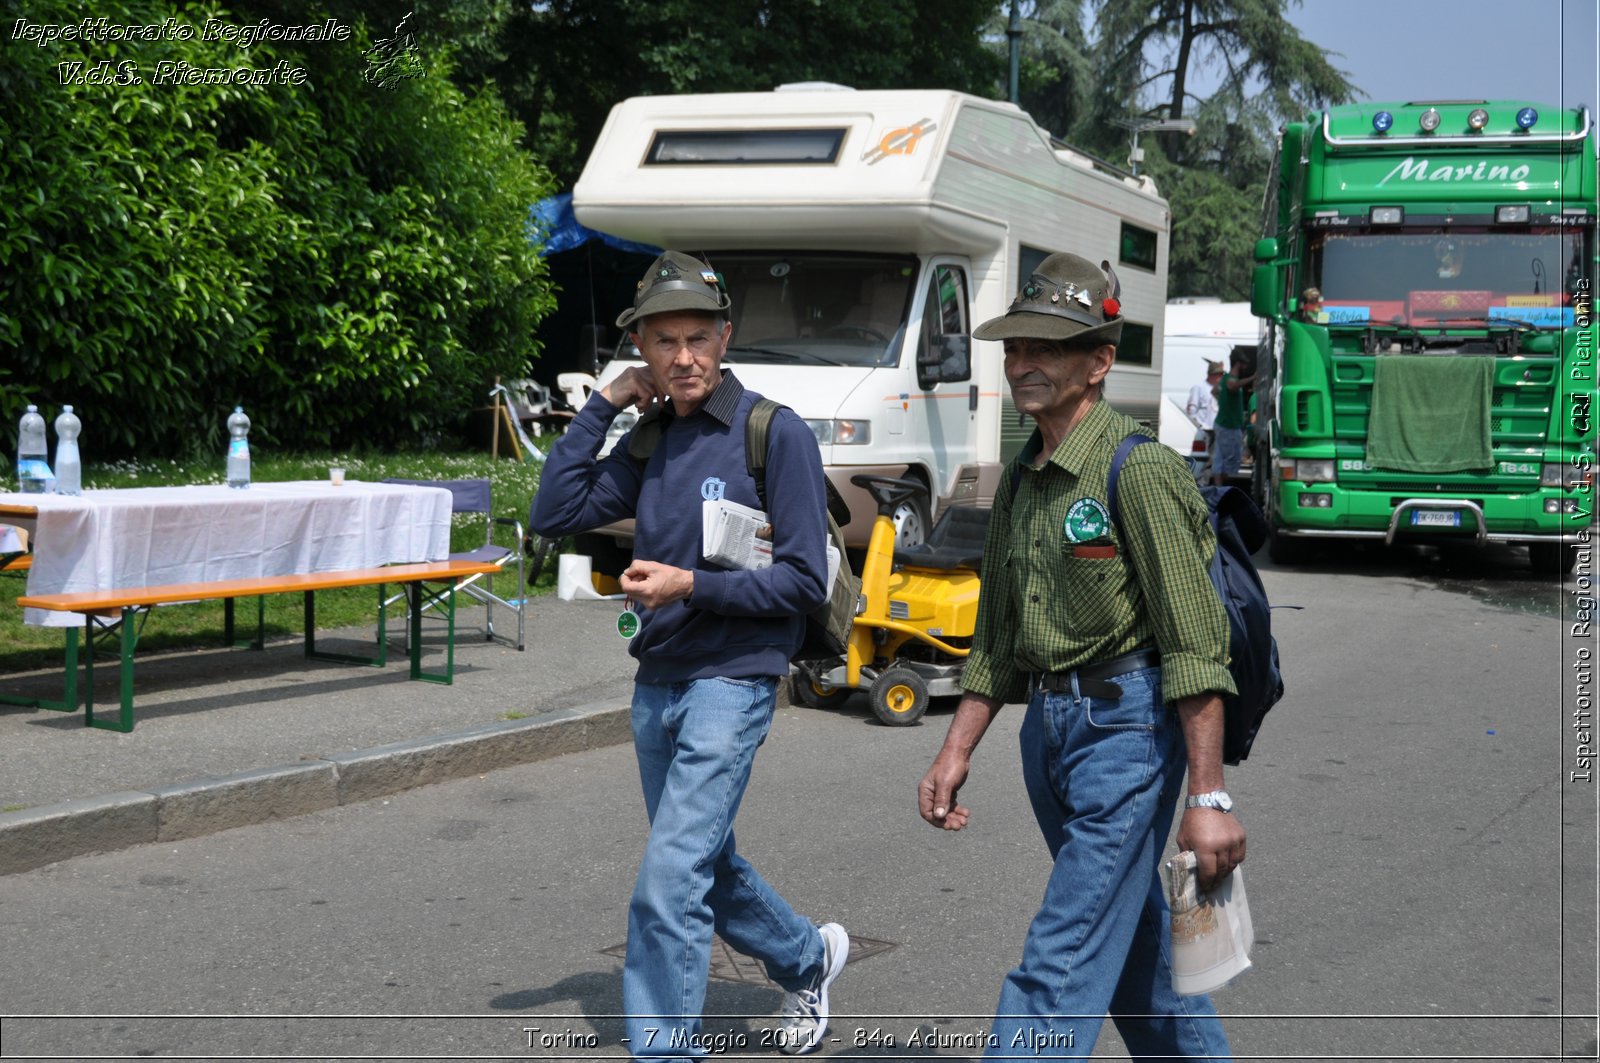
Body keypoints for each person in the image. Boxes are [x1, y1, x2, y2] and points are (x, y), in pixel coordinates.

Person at [917, 252, 1244, 1060]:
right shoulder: (1022, 481)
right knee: (1136, 953)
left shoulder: (1138, 471)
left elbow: (1196, 647)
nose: (1025, 363)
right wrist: (954, 749)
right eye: (1016, 347)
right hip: (1050, 738)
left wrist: (1209, 797)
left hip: (1126, 735)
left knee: (1058, 960)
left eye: (1049, 347)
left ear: (1099, 361)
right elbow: (995, 640)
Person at [530, 250, 848, 1060]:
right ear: (641, 348)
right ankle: (809, 958)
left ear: (725, 336)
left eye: (697, 338)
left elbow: (805, 581)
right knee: (702, 859)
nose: (682, 357)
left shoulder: (771, 435)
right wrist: (604, 406)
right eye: (662, 340)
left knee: (670, 879)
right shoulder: (649, 441)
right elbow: (554, 507)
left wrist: (688, 586)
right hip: (660, 676)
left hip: (734, 677)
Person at [1209, 349, 1254, 486]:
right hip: (1229, 426)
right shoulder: (1231, 380)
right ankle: (1224, 490)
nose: (1246, 367)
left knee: (1219, 459)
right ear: (1238, 364)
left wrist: (1224, 402)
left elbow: (1214, 391)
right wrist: (1253, 377)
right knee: (1231, 460)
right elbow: (1232, 386)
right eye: (1244, 364)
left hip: (1223, 423)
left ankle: (1219, 490)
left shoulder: (1226, 378)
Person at [1186, 360, 1222, 476]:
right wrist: (1195, 426)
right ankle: (1198, 482)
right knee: (1201, 458)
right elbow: (1192, 407)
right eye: (1218, 374)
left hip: (1215, 429)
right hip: (1203, 428)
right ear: (1211, 375)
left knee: (1213, 460)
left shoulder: (1219, 389)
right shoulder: (1199, 387)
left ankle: (1206, 483)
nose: (1220, 377)